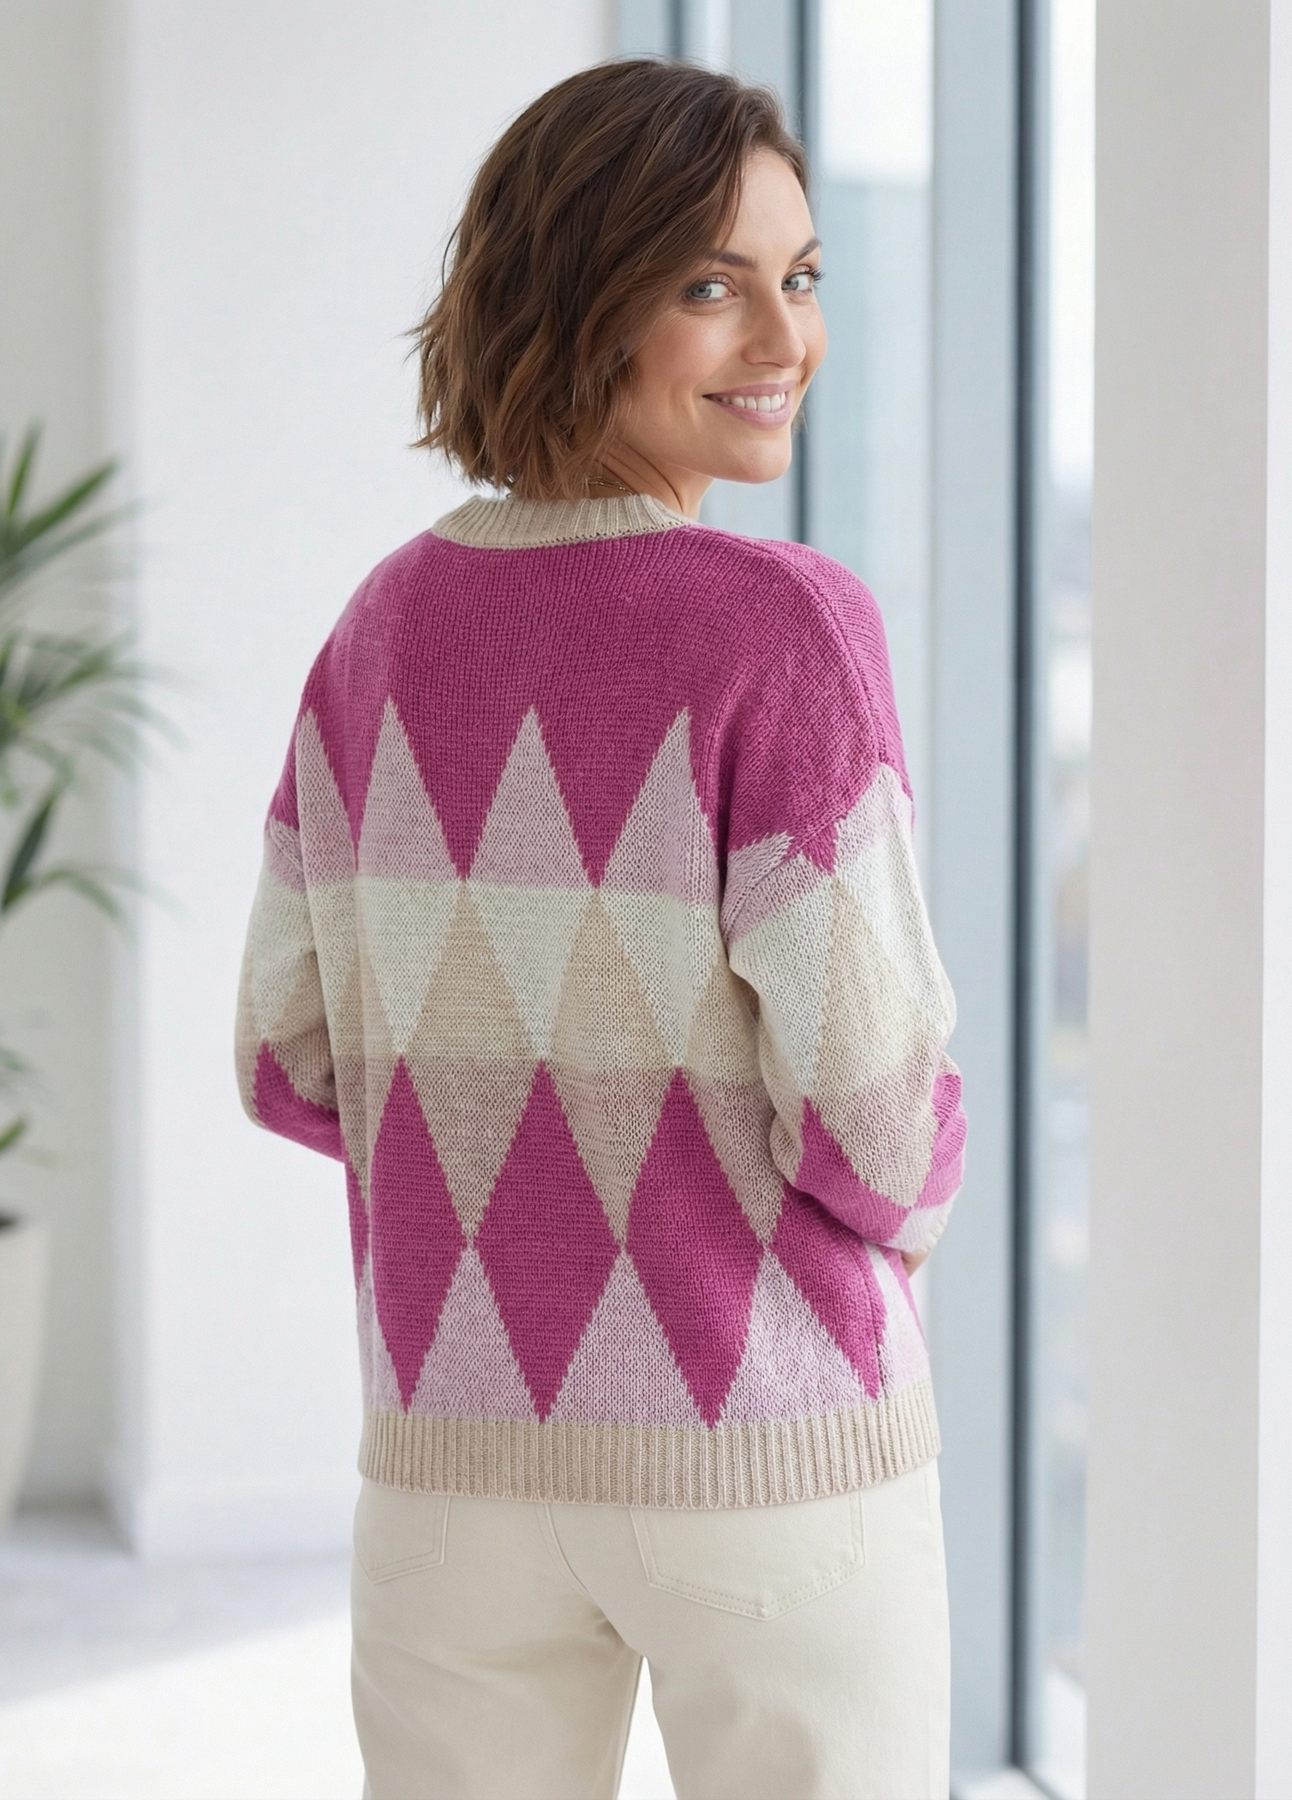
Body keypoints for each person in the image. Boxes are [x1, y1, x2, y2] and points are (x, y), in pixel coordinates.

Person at [236, 56, 965, 1800]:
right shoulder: (782, 626)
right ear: (577, 300)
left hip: (450, 1465)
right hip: (765, 1450)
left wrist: (507, 1163)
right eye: (712, 285)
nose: (784, 337)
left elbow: (285, 1054)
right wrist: (908, 1216)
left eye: (801, 277)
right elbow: (877, 1113)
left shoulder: (380, 628)